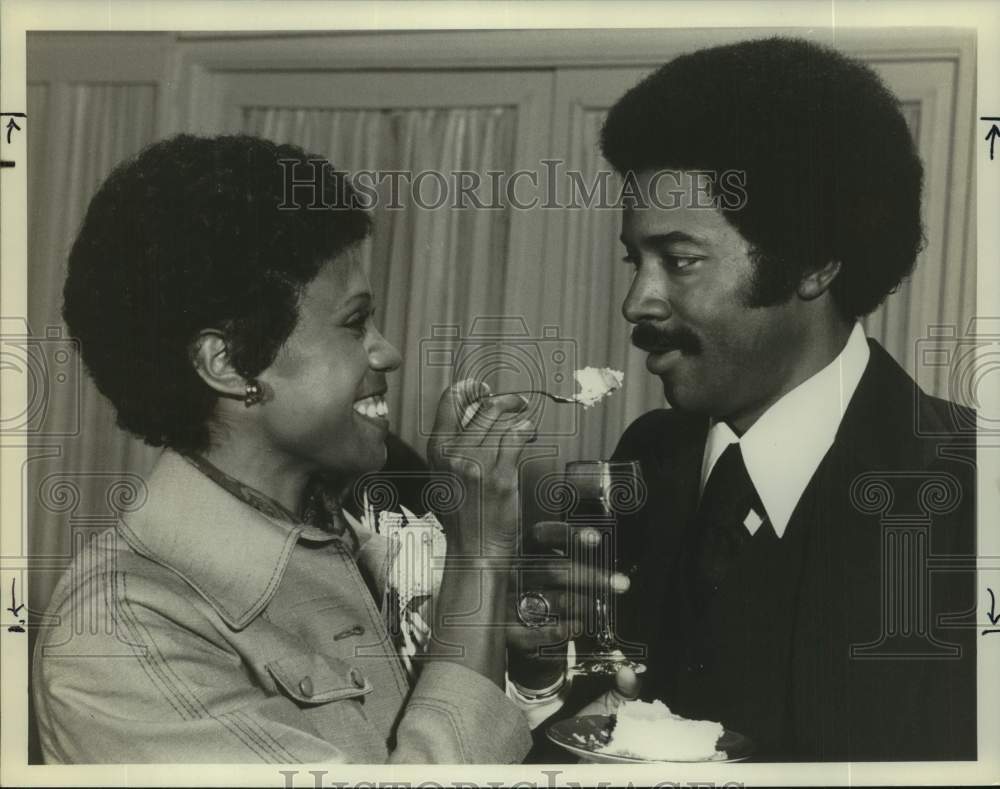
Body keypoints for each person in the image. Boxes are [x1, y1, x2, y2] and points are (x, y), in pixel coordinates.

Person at [526, 37, 977, 761]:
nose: (636, 301)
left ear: (814, 261)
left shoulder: (969, 493)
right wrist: (534, 663)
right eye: (633, 261)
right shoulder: (642, 459)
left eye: (679, 261)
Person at [32, 134, 539, 763]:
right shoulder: (124, 633)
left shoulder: (337, 527)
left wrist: (497, 635)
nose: (388, 353)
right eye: (355, 323)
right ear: (231, 363)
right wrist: (479, 558)